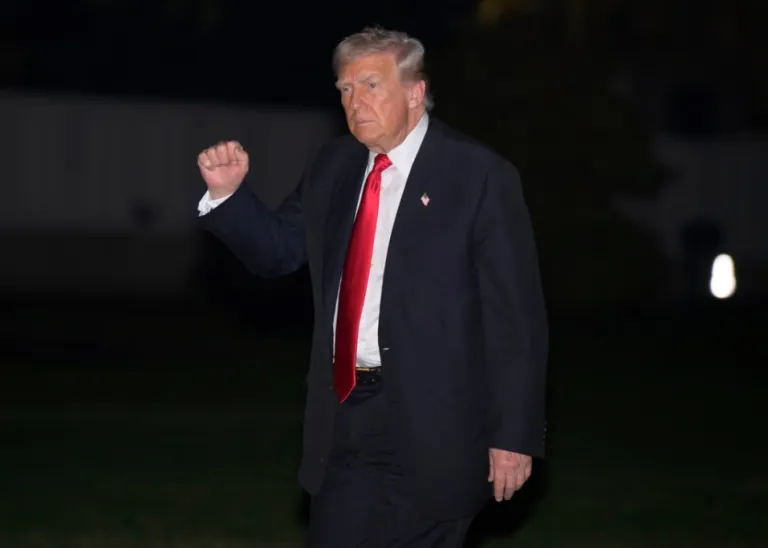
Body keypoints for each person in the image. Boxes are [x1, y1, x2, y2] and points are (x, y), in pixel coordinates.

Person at [196, 26, 548, 548]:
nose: (354, 101)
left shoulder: (477, 175)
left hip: (439, 421)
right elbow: (278, 252)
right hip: (347, 412)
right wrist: (229, 197)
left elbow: (515, 318)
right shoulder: (333, 167)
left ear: (415, 92)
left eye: (370, 85)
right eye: (344, 89)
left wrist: (513, 435)